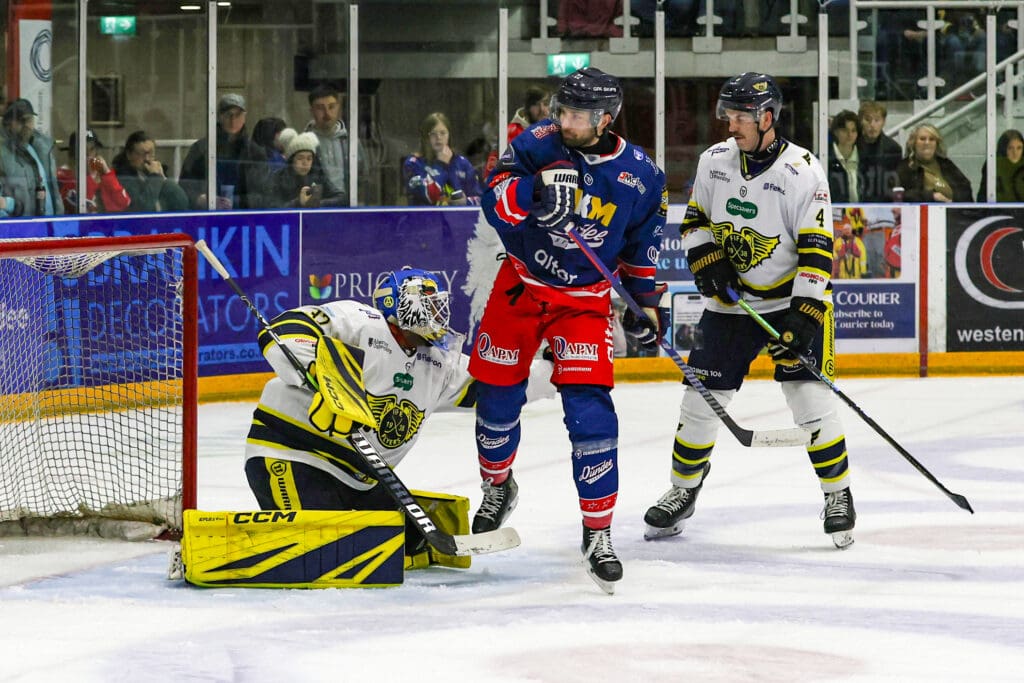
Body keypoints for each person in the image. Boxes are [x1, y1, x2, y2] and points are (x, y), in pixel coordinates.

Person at [469, 67, 668, 593]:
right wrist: (532, 193)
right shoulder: (536, 142)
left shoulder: (640, 175)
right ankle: (497, 485)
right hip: (522, 281)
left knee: (590, 412)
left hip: (581, 301)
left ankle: (598, 532)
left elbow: (640, 250)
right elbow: (493, 193)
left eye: (577, 115)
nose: (564, 121)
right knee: (494, 396)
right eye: (562, 110)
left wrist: (645, 307)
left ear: (607, 119)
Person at [643, 72, 857, 550]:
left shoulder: (803, 170)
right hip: (730, 307)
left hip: (792, 303)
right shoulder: (714, 162)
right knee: (699, 404)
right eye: (728, 115)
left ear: (767, 118)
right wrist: (707, 259)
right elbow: (695, 218)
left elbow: (818, 248)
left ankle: (838, 495)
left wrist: (803, 312)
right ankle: (682, 491)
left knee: (811, 401)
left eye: (740, 116)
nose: (730, 124)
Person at [243, 267, 553, 567]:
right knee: (324, 550)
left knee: (408, 545)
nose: (438, 315)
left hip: (362, 478)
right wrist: (323, 372)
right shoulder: (360, 322)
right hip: (293, 455)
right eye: (428, 304)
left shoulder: (439, 363)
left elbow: (497, 387)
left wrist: (554, 371)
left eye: (439, 305)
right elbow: (285, 328)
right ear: (398, 304)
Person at [179, 93, 269, 209]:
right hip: (207, 217)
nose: (233, 120)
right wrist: (199, 198)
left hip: (244, 219)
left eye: (238, 115)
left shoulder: (255, 153)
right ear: (219, 117)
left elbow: (264, 195)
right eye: (228, 115)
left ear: (244, 117)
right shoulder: (201, 149)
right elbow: (184, 186)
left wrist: (235, 202)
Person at [305, 83, 366, 207]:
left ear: (339, 107)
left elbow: (363, 175)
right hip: (319, 209)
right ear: (311, 111)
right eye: (320, 108)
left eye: (331, 107)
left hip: (349, 206)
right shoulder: (305, 143)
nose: (327, 113)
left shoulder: (351, 141)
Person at [402, 112, 482, 206]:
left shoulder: (462, 163)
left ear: (449, 136)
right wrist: (442, 164)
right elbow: (429, 196)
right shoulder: (413, 164)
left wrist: (466, 202)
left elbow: (480, 199)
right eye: (433, 134)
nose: (438, 137)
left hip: (458, 219)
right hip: (424, 219)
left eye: (443, 133)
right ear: (425, 138)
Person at [0, 98, 62, 216]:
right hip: (20, 230)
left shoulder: (42, 148)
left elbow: (53, 191)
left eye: (30, 120)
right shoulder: (3, 155)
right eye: (22, 120)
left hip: (49, 228)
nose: (27, 125)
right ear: (8, 123)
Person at [111, 130, 190, 212]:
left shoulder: (156, 173)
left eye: (151, 153)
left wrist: (164, 179)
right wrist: (155, 177)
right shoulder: (122, 178)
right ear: (129, 155)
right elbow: (142, 208)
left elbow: (182, 203)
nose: (147, 159)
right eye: (141, 154)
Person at [56, 129, 131, 214]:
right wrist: (89, 176)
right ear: (73, 153)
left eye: (92, 149)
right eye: (84, 150)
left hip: (103, 224)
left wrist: (107, 173)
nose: (88, 155)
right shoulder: (62, 176)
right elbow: (82, 207)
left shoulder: (102, 174)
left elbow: (124, 202)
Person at [266, 128, 345, 208]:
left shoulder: (318, 176)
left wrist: (317, 203)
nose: (305, 163)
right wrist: (298, 202)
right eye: (300, 158)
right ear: (291, 160)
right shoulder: (278, 178)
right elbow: (271, 207)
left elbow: (341, 197)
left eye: (309, 159)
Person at [895, 123, 973, 203]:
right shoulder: (905, 167)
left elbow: (965, 188)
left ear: (937, 144)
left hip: (953, 213)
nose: (927, 143)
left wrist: (954, 204)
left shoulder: (946, 164)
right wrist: (931, 196)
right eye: (922, 139)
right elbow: (898, 196)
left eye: (932, 139)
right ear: (913, 143)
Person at [977, 129, 1024, 202]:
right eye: (1010, 148)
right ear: (1003, 148)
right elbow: (983, 196)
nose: (1015, 153)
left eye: (1019, 148)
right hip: (998, 212)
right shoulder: (993, 164)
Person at [827, 110, 860, 203]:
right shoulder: (825, 158)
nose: (850, 135)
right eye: (845, 130)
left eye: (853, 130)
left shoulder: (865, 158)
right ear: (836, 132)